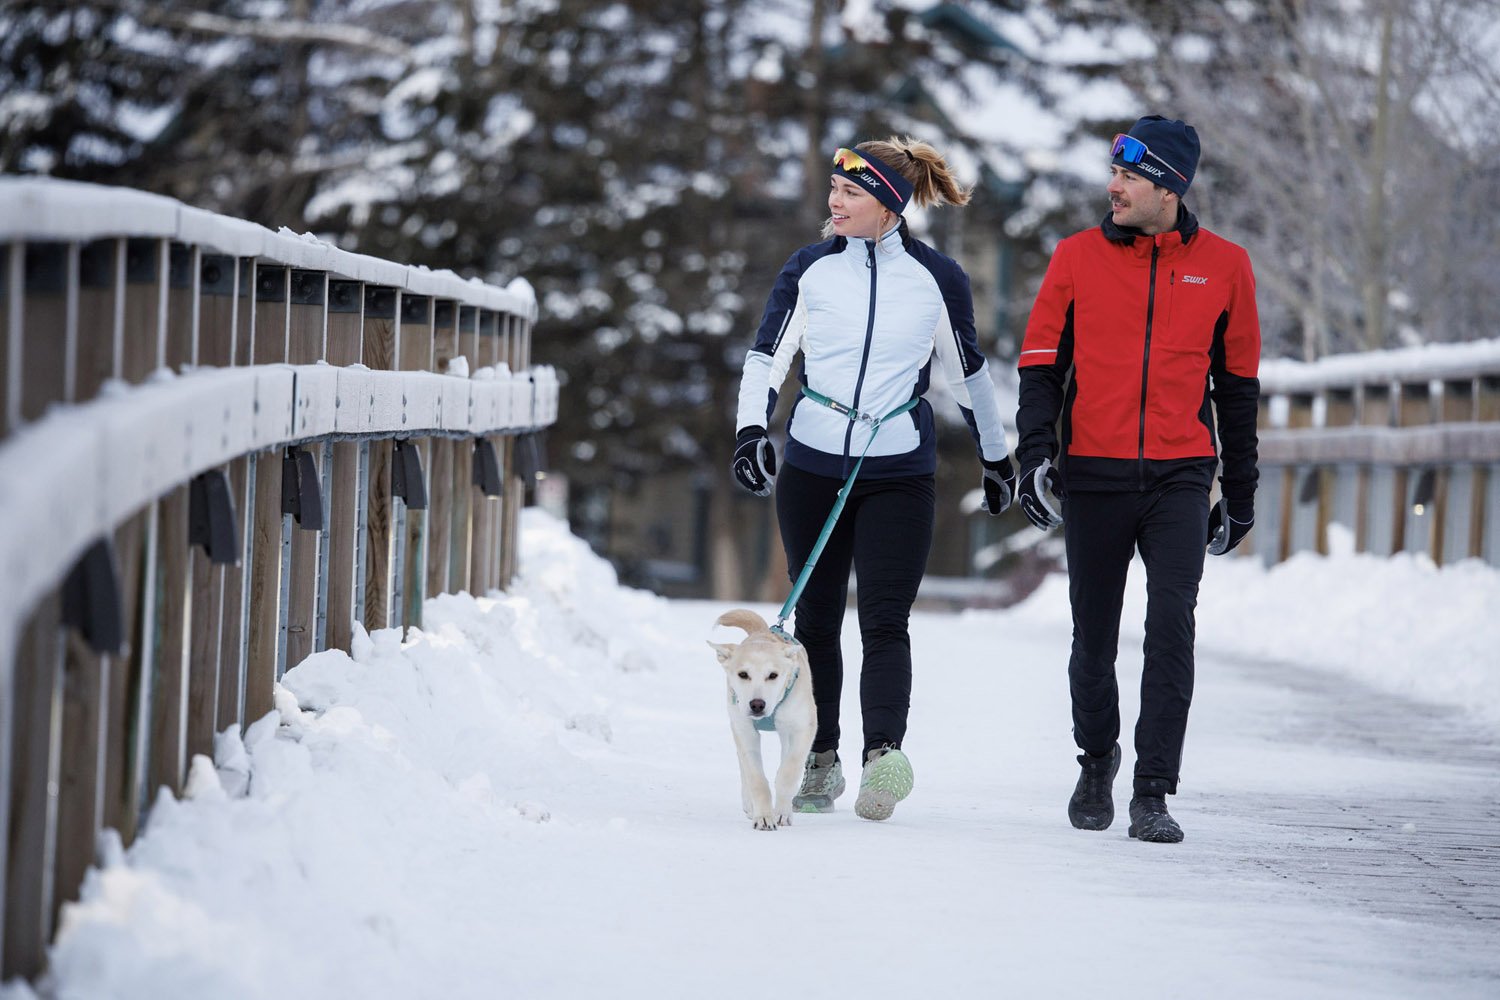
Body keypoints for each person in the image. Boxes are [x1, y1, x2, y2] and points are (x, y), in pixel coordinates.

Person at [732, 137, 1014, 822]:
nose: (834, 201)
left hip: (898, 470)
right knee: (817, 620)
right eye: (834, 187)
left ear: (889, 205)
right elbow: (768, 356)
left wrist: (996, 455)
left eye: (850, 192)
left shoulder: (936, 278)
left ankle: (883, 757)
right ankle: (821, 756)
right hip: (812, 464)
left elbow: (967, 373)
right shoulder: (810, 268)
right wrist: (749, 432)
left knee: (886, 619)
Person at [1013, 115, 1261, 843]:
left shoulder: (1226, 266)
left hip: (1181, 475)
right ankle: (1097, 761)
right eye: (1114, 173)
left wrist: (1240, 493)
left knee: (1171, 628)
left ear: (1169, 189)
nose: (1113, 187)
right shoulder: (1076, 258)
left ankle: (1152, 791)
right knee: (1093, 639)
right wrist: (1036, 457)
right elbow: (1040, 368)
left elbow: (1238, 389)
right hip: (1095, 472)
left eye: (1129, 176)